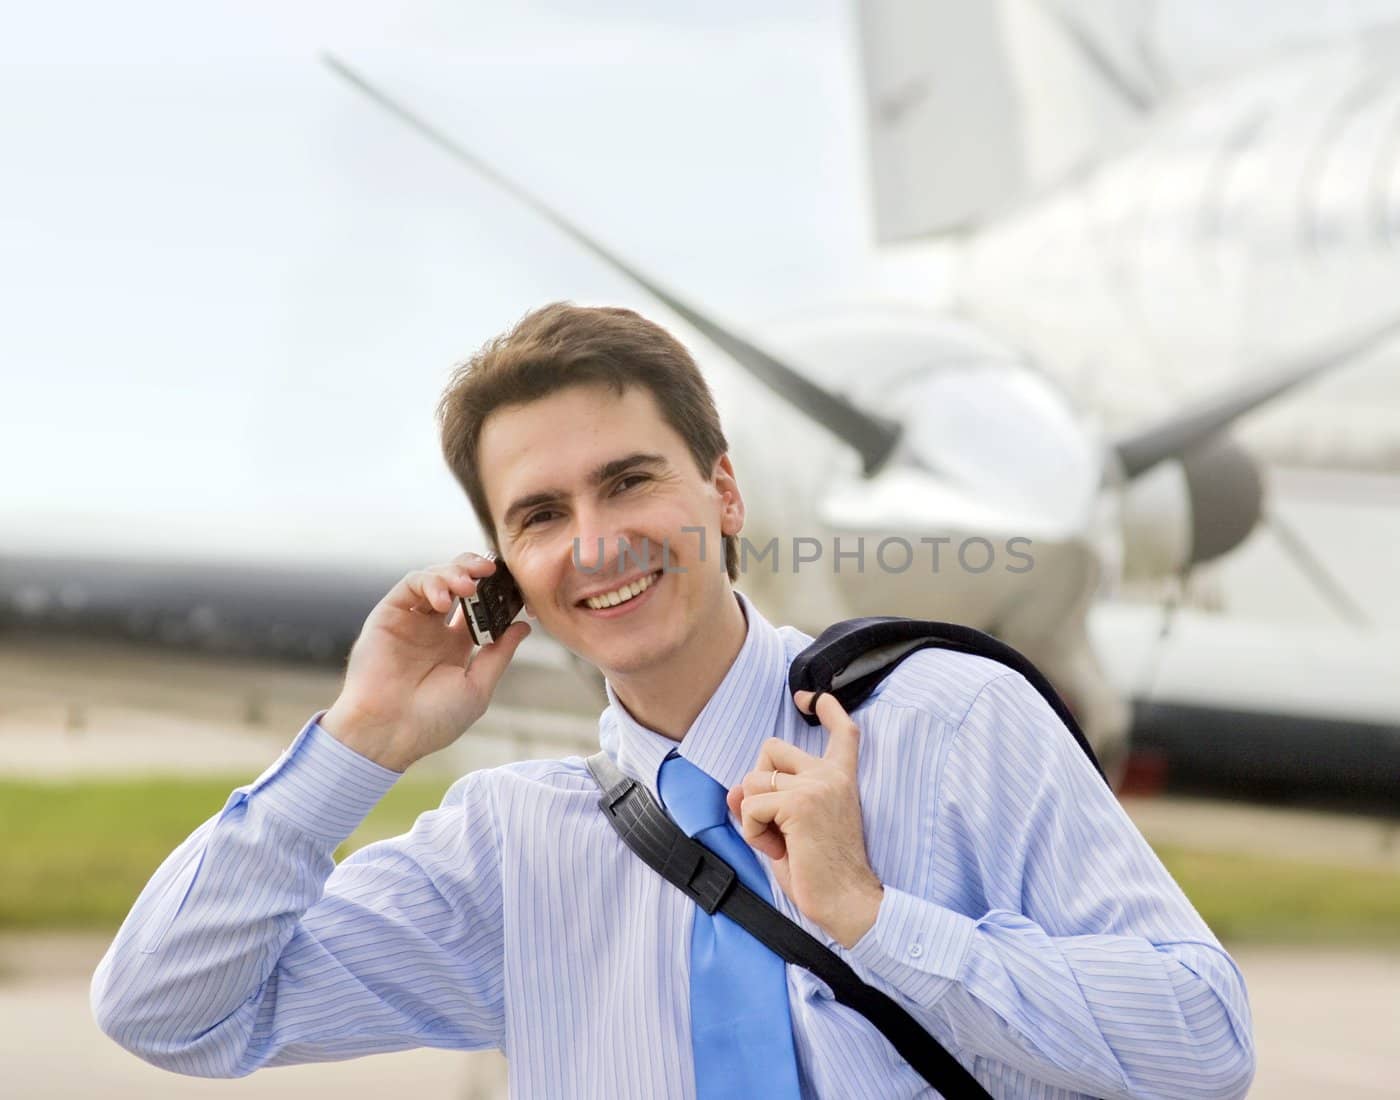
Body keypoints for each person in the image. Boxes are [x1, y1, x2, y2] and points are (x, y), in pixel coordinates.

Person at [91, 303, 1255, 1098]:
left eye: (630, 480)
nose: (595, 543)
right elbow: (170, 1007)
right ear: (504, 565)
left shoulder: (951, 718)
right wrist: (360, 741)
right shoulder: (508, 849)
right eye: (539, 515)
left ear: (726, 491)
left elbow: (1203, 1039)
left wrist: (873, 917)